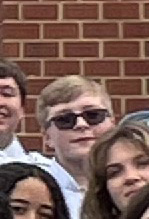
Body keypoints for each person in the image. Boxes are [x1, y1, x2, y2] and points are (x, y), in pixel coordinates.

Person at [33, 75, 116, 205]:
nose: (81, 124)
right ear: (47, 137)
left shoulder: (133, 184)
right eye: (65, 119)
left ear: (112, 124)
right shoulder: (31, 189)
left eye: (93, 115)